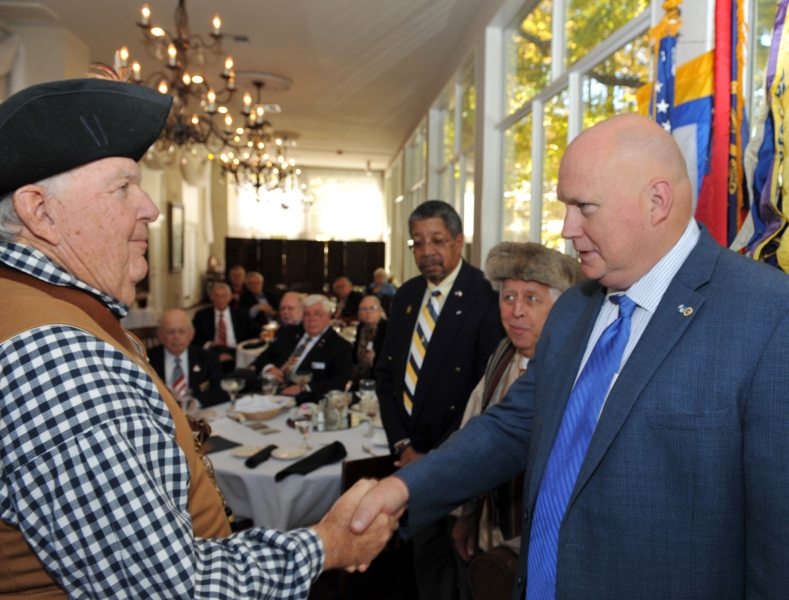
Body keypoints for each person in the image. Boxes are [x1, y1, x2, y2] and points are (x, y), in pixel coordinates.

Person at [353, 113, 789, 599]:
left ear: (657, 201)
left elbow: (777, 543)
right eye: (566, 206)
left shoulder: (768, 315)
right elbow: (513, 426)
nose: (566, 228)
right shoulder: (574, 310)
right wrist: (404, 489)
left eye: (584, 207)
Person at [0, 79, 396, 598]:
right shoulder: (54, 355)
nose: (150, 208)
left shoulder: (36, 311)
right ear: (39, 211)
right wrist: (328, 543)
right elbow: (170, 589)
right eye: (123, 188)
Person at [375, 200, 503, 600]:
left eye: (436, 240)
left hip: (461, 463)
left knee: (467, 572)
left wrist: (435, 459)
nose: (426, 251)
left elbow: (485, 393)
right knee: (428, 570)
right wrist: (403, 445)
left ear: (459, 242)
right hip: (410, 461)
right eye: (418, 242)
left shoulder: (486, 295)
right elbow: (386, 376)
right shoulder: (406, 294)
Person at [450, 243, 582, 594]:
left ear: (561, 308)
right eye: (508, 297)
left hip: (549, 550)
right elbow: (472, 436)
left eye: (532, 298)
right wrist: (466, 515)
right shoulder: (501, 356)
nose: (516, 311)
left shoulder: (577, 372)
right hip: (490, 536)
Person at [251, 294, 354, 398]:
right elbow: (263, 357)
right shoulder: (289, 332)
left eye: (317, 314)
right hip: (270, 386)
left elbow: (342, 381)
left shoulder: (340, 346)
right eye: (307, 314)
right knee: (244, 377)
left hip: (303, 397)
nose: (311, 319)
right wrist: (269, 369)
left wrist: (304, 388)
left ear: (328, 316)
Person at [147, 309, 228, 407]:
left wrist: (196, 403)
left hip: (196, 414)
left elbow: (222, 390)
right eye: (170, 332)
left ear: (191, 333)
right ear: (160, 335)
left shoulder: (208, 358)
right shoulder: (146, 360)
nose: (176, 337)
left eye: (181, 331)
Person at [192, 282, 262, 369]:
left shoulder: (241, 314)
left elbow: (256, 330)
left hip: (236, 350)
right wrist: (210, 344)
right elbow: (193, 338)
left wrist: (264, 334)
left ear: (229, 298)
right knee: (219, 357)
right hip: (214, 350)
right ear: (211, 297)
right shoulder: (202, 315)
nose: (220, 299)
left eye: (224, 296)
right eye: (217, 296)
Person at [352, 295, 388, 381]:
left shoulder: (387, 328)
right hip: (360, 374)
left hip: (379, 377)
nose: (368, 312)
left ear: (380, 310)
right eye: (364, 309)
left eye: (372, 308)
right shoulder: (361, 327)